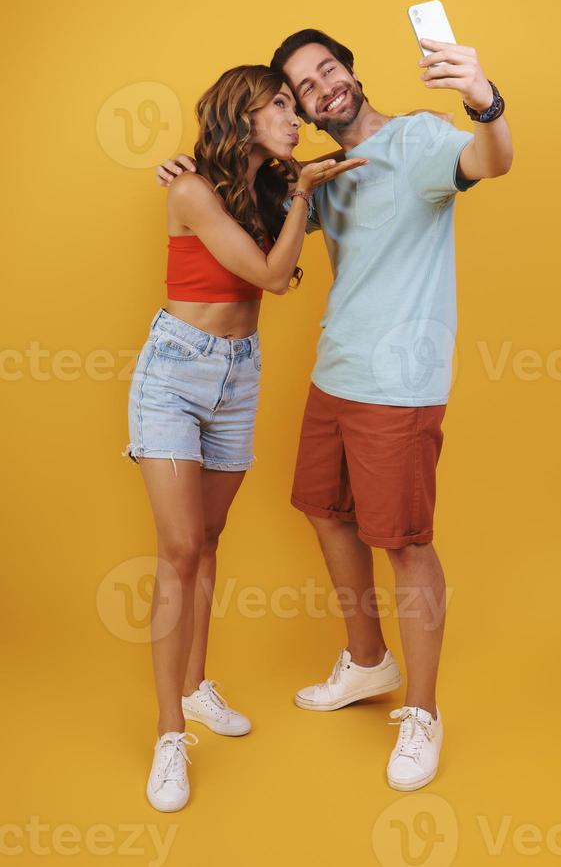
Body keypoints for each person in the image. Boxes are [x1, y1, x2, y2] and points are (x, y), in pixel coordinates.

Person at [159, 27, 513, 792]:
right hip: (336, 372)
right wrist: (189, 171)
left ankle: (422, 712)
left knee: (406, 543)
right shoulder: (319, 173)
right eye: (303, 89)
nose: (323, 89)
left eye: (328, 71)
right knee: (325, 509)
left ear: (351, 71)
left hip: (399, 384)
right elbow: (257, 230)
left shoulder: (419, 140)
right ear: (305, 110)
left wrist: (484, 100)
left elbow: (490, 160)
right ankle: (366, 661)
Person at [124, 63, 365, 812]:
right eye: (281, 107)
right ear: (244, 115)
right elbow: (268, 272)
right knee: (180, 549)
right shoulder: (191, 189)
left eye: (295, 108)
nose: (295, 119)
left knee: (212, 540)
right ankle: (170, 737)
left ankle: (195, 689)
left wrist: (290, 186)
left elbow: (282, 275)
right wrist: (300, 193)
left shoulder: (258, 191)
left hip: (237, 375)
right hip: (174, 374)